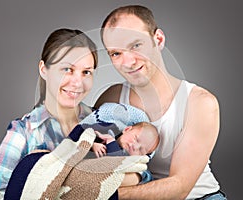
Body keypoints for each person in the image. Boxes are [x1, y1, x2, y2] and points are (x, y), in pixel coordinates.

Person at [0, 27, 148, 200]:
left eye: (86, 72)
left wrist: (129, 176)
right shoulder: (24, 133)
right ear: (44, 69)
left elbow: (139, 169)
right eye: (67, 69)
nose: (77, 82)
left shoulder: (104, 123)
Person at [95, 5, 227, 200]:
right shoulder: (111, 99)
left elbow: (179, 188)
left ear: (158, 39)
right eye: (116, 53)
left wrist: (96, 195)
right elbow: (87, 150)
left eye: (136, 46)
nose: (128, 61)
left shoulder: (200, 103)